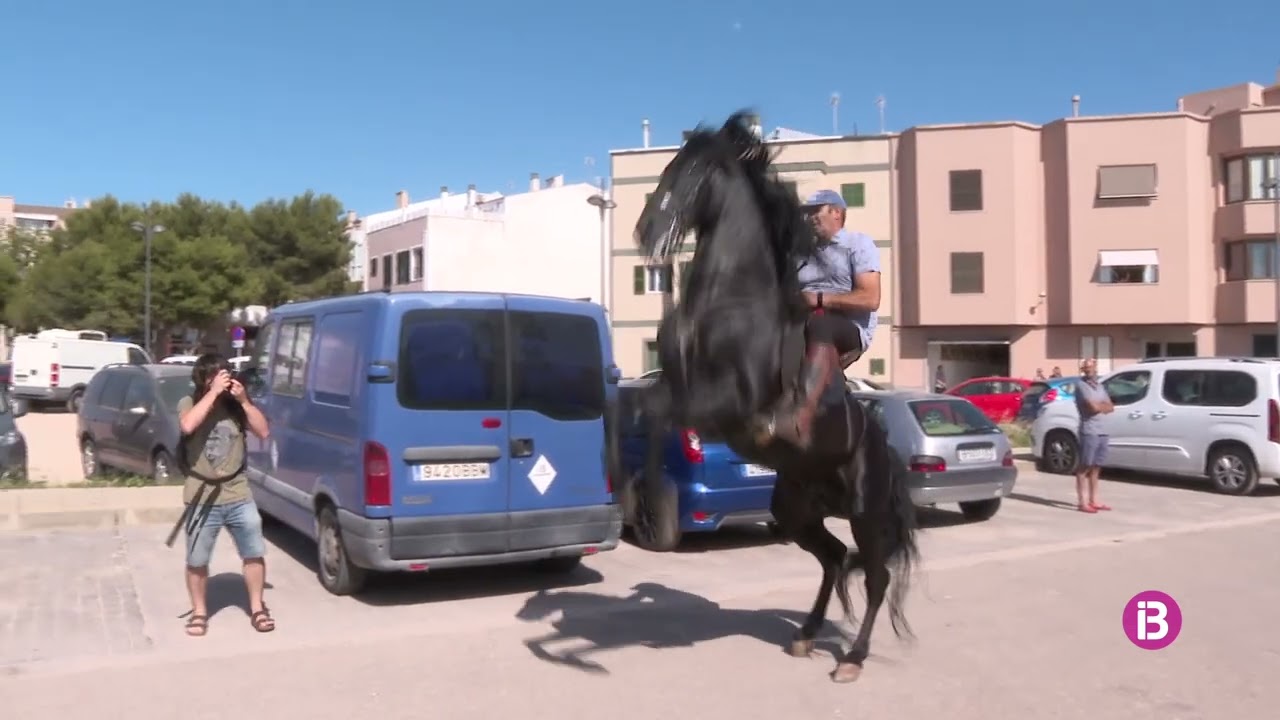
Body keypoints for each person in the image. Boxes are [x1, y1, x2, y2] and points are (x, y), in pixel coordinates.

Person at [761, 188, 881, 450]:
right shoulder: (802, 254)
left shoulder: (858, 244)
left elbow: (870, 298)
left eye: (815, 212)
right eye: (806, 214)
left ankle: (799, 419)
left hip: (848, 328)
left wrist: (818, 299)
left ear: (836, 213)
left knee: (820, 323)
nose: (809, 219)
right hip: (804, 322)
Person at [177, 353, 272, 636]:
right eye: (216, 375)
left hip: (238, 492)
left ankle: (257, 607)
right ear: (204, 378)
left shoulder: (236, 407)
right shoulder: (189, 402)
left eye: (225, 374)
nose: (223, 380)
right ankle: (199, 612)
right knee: (197, 559)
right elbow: (188, 425)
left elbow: (264, 431)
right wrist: (213, 393)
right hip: (202, 495)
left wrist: (243, 401)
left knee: (254, 552)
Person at [1073, 358, 1113, 514]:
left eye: (1091, 367)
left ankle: (1094, 500)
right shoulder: (1081, 386)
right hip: (1089, 430)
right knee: (1085, 466)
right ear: (1083, 369)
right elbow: (1091, 407)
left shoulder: (1100, 386)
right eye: (1086, 368)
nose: (1089, 370)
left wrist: (1101, 406)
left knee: (1096, 466)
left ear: (1095, 367)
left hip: (1103, 429)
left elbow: (1110, 407)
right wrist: (1100, 406)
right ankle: (1082, 502)